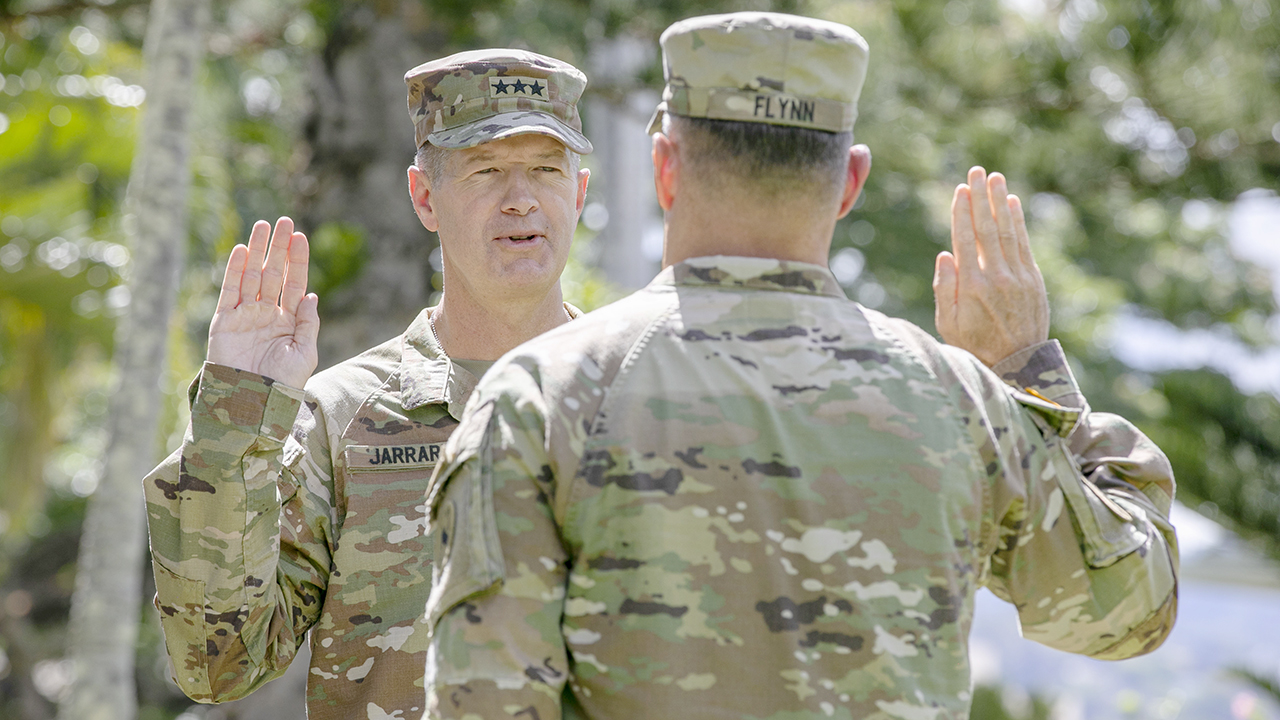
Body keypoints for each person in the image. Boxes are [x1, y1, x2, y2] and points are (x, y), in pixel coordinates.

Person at [422, 12, 1179, 720]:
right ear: (851, 180)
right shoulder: (960, 400)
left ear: (665, 167)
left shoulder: (541, 397)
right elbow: (1128, 609)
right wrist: (1025, 371)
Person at [142, 49, 593, 720]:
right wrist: (235, 417)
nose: (521, 198)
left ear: (579, 193)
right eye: (487, 169)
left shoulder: (639, 398)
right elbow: (218, 664)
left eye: (546, 169)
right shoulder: (343, 417)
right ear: (424, 198)